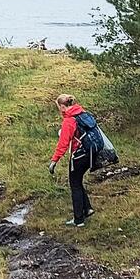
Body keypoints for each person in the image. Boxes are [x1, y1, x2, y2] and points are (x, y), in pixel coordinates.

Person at [49, 93, 95, 227]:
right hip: (90, 152)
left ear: (63, 107)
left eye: (59, 107)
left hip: (79, 156)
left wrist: (54, 161)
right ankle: (87, 209)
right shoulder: (82, 113)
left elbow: (63, 144)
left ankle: (78, 220)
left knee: (74, 185)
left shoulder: (69, 121)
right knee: (78, 181)